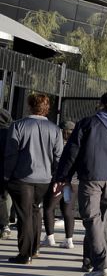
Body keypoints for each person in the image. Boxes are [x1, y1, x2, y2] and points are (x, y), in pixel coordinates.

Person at [53, 92, 107, 276]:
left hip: (91, 177)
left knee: (92, 219)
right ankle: (90, 260)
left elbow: (72, 152)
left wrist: (63, 177)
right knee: (101, 222)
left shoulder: (88, 123)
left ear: (101, 104)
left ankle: (102, 264)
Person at [4, 94, 62, 264]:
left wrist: (6, 175)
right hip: (44, 178)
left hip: (22, 177)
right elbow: (58, 156)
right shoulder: (55, 129)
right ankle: (35, 248)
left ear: (29, 106)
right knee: (36, 211)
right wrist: (57, 177)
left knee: (24, 214)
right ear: (46, 108)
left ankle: (24, 253)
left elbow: (11, 153)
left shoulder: (18, 125)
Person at [42, 121, 77, 249]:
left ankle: (50, 237)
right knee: (68, 210)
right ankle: (69, 240)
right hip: (73, 182)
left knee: (49, 207)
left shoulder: (57, 144)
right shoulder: (78, 144)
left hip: (58, 180)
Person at [0, 108, 13, 240]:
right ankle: (6, 224)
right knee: (6, 196)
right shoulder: (12, 132)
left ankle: (4, 224)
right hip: (10, 170)